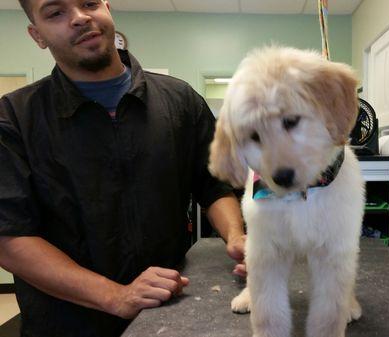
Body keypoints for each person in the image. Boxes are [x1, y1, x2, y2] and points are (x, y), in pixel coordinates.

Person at [0, 0, 246, 336]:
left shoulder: (180, 101)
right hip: (66, 325)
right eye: (56, 12)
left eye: (88, 3)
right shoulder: (13, 119)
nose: (80, 18)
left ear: (107, 8)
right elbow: (10, 237)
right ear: (37, 35)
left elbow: (215, 184)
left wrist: (235, 235)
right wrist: (116, 295)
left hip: (170, 310)